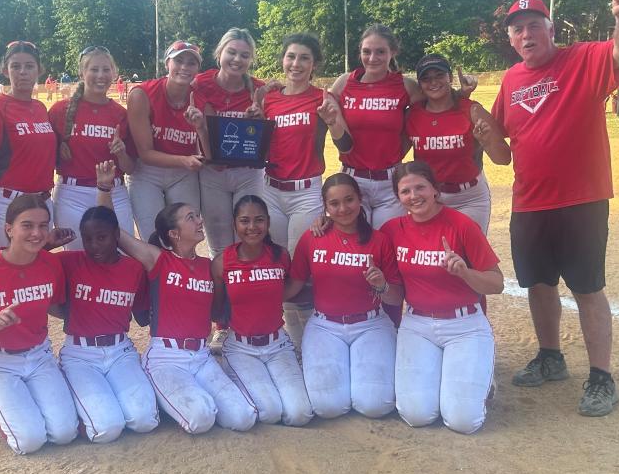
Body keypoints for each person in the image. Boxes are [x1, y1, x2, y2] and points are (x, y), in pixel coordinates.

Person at [491, 0, 619, 417]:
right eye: (518, 29)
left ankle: (601, 377)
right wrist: (481, 128)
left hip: (581, 199)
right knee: (538, 284)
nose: (526, 34)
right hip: (529, 202)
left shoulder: (583, 59)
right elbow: (501, 151)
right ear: (511, 39)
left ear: (551, 29)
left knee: (588, 287)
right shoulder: (511, 79)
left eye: (534, 25)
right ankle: (550, 356)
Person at [95, 161, 257, 434]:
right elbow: (112, 231)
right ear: (173, 233)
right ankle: (168, 394)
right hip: (166, 358)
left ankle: (182, 399)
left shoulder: (210, 266)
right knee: (201, 419)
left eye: (197, 216)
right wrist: (104, 187)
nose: (200, 220)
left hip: (202, 356)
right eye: (191, 217)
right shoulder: (159, 260)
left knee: (243, 418)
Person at [381, 161, 504, 434]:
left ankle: (481, 382)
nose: (414, 196)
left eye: (420, 187)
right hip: (417, 326)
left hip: (465, 326)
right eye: (405, 191)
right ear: (398, 197)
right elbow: (356, 235)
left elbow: (497, 284)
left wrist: (464, 272)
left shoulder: (461, 225)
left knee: (463, 422)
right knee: (417, 415)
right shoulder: (392, 230)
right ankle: (455, 380)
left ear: (435, 190)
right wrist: (325, 220)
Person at [0, 194, 78, 455]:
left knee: (65, 433)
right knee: (29, 441)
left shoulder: (50, 264)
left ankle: (12, 401)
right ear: (9, 229)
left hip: (39, 356)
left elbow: (54, 306)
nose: (37, 232)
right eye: (27, 225)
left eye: (44, 225)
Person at [322, 24, 477, 229]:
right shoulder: (344, 83)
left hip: (390, 181)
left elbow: (437, 101)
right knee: (358, 245)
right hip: (353, 179)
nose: (372, 58)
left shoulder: (405, 86)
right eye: (366, 52)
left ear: (392, 52)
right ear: (360, 52)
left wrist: (461, 94)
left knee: (389, 242)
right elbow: (344, 144)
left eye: (380, 52)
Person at [258, 34, 353, 349]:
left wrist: (333, 122)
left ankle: (314, 341)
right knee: (279, 265)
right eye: (291, 56)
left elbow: (346, 144)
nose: (295, 64)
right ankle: (298, 344)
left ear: (314, 65)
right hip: (271, 189)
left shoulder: (321, 98)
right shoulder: (268, 98)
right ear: (282, 59)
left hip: (305, 191)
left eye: (304, 58)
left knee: (302, 268)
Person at [284, 173, 403, 419]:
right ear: (325, 207)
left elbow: (396, 298)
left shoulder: (379, 241)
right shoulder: (312, 238)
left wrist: (381, 285)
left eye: (349, 200)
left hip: (371, 324)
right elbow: (294, 286)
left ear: (360, 200)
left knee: (375, 405)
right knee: (328, 407)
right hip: (325, 325)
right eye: (334, 203)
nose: (343, 209)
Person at [56, 205, 159, 442]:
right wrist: (50, 242)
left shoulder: (133, 268)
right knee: (107, 429)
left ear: (116, 234)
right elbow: (28, 261)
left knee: (144, 420)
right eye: (88, 239)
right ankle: (75, 405)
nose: (94, 246)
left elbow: (143, 317)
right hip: (80, 355)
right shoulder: (69, 262)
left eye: (101, 237)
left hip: (120, 352)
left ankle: (96, 400)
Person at [211, 195, 313, 426]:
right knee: (270, 412)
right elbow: (216, 310)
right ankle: (233, 376)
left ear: (267, 222)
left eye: (259, 220)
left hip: (277, 344)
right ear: (234, 224)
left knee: (300, 415)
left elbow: (288, 291)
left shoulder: (280, 256)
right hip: (241, 347)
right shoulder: (221, 262)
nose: (252, 227)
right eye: (244, 221)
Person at [405, 54, 510, 233]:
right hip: (430, 198)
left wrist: (486, 142)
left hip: (469, 197)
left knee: (469, 257)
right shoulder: (412, 115)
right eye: (426, 78)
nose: (433, 82)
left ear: (450, 77)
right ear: (420, 84)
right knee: (433, 257)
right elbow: (392, 153)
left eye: (439, 75)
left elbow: (504, 159)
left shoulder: (472, 110)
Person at [0, 41, 56, 252]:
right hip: (8, 202)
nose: (23, 72)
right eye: (15, 66)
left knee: (37, 268)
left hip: (42, 202)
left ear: (39, 70)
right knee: (9, 270)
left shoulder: (39, 107)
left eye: (29, 66)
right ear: (5, 70)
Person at [50, 45, 135, 244]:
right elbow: (45, 157)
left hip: (114, 193)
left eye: (106, 69)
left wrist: (122, 153)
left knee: (121, 257)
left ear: (114, 73)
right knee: (77, 261)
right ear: (81, 72)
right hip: (72, 194)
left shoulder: (121, 114)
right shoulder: (60, 110)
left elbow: (131, 168)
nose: (100, 75)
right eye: (94, 69)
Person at [193, 28, 266, 258]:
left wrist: (259, 120)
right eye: (231, 52)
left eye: (244, 55)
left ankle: (245, 288)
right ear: (219, 53)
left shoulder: (258, 89)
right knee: (219, 243)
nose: (237, 59)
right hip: (212, 173)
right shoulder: (201, 83)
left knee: (248, 238)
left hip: (248, 173)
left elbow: (268, 139)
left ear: (251, 59)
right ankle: (222, 290)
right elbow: (201, 127)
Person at [126, 41, 206, 241]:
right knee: (154, 238)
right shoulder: (142, 94)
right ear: (166, 63)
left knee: (186, 237)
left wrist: (201, 127)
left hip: (183, 173)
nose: (184, 67)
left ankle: (186, 273)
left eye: (191, 63)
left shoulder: (201, 98)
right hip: (147, 172)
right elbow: (145, 153)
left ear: (198, 68)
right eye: (178, 60)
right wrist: (184, 160)